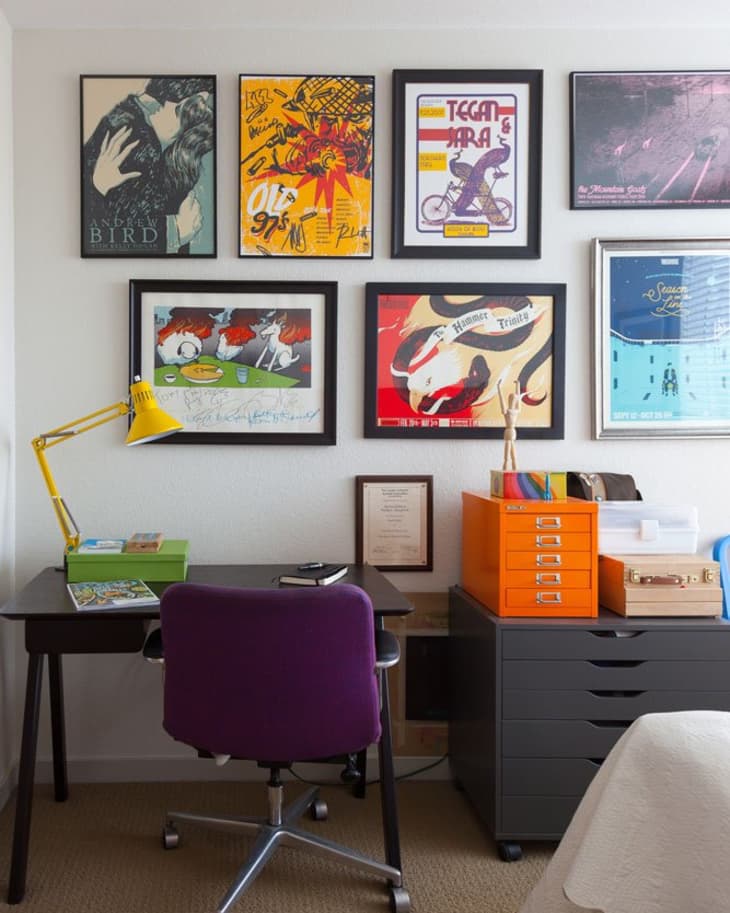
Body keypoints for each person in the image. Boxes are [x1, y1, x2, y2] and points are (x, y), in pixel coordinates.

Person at [82, 77, 214, 255]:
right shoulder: (133, 140)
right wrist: (175, 233)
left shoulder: (133, 127)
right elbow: (114, 238)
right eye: (201, 105)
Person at [497, 378, 523, 471]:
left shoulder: (514, 411)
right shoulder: (509, 411)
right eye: (513, 398)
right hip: (510, 431)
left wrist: (518, 385)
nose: (514, 399)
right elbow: (502, 399)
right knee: (509, 454)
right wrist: (499, 388)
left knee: (509, 455)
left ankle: (510, 470)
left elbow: (518, 397)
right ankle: (508, 470)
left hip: (511, 431)